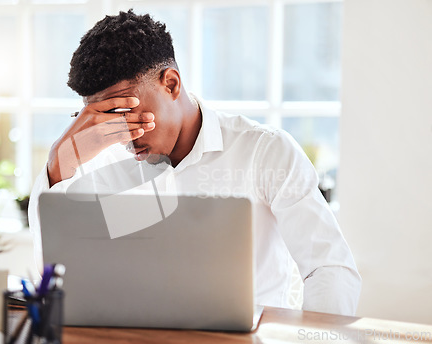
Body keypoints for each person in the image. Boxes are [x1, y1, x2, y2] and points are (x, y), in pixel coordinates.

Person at [29, 9, 361, 316]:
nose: (123, 135)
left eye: (125, 113)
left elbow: (329, 269)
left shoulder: (264, 152)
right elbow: (53, 272)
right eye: (103, 118)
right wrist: (60, 158)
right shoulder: (101, 166)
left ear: (170, 84)